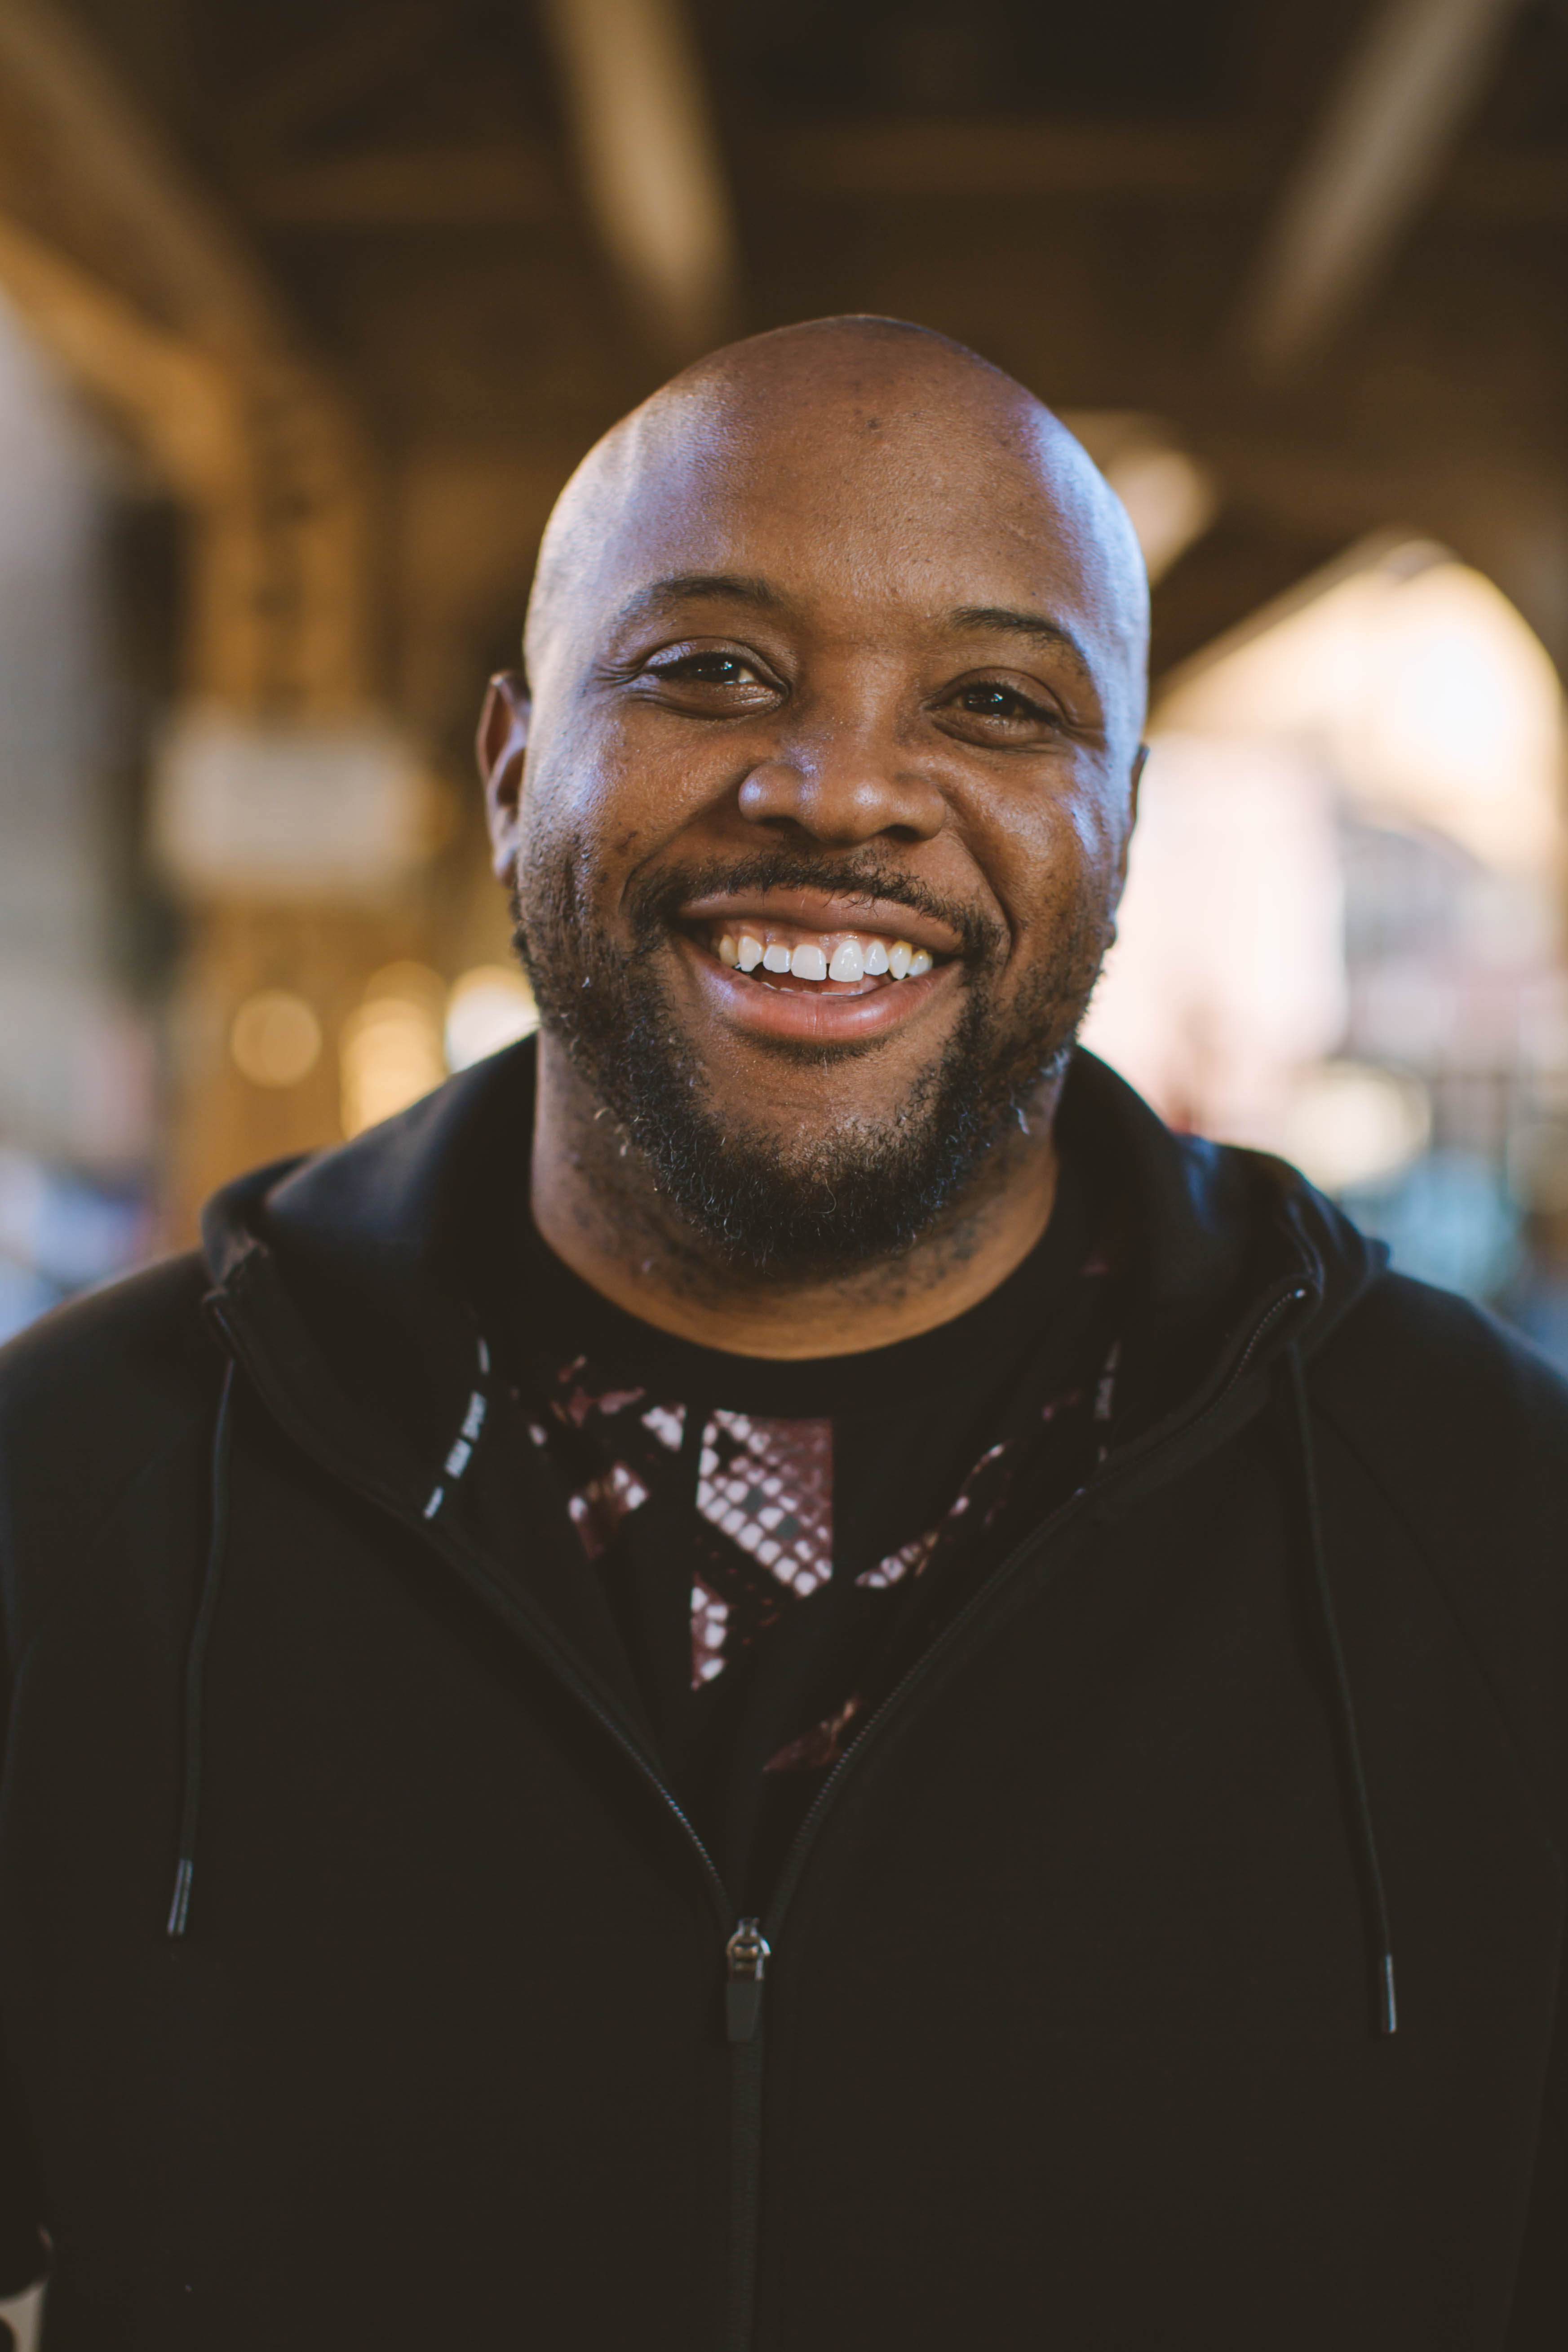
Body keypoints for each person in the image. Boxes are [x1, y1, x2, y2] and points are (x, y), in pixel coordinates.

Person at [0, 316, 1563, 2352]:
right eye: (712, 668)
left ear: (1120, 827)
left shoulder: (1495, 1528)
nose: (839, 791)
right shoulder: (67, 1500)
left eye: (997, 702)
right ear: (510, 767)